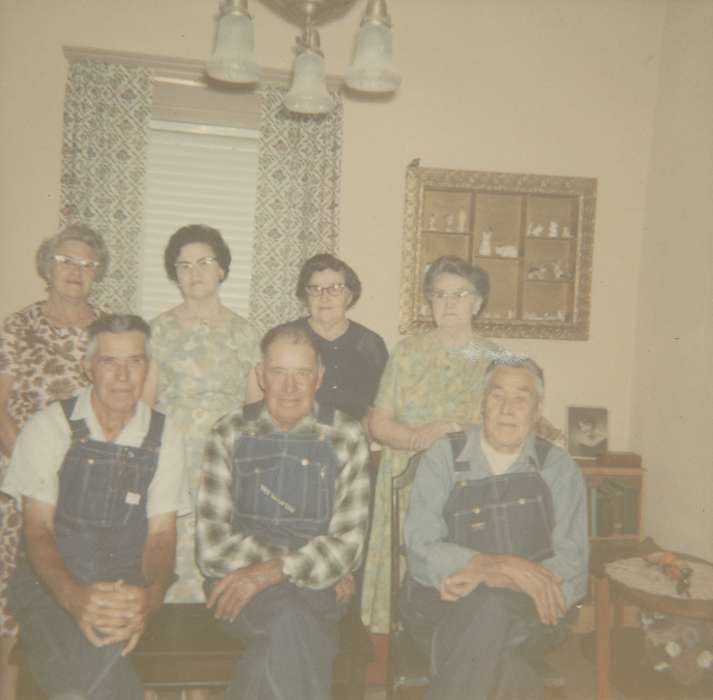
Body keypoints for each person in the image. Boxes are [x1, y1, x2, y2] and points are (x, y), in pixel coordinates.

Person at [2, 314, 189, 700]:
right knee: (94, 663)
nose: (122, 375)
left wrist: (149, 600)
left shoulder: (165, 435)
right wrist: (74, 597)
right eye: (108, 361)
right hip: (50, 583)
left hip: (124, 580)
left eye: (134, 361)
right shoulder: (48, 427)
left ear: (147, 368)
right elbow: (37, 531)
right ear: (87, 367)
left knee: (80, 681)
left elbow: (162, 533)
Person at [196, 321, 371, 700]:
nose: (290, 387)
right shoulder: (228, 432)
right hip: (243, 589)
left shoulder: (347, 435)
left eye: (302, 373)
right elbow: (211, 549)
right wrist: (308, 561)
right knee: (298, 626)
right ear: (260, 375)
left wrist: (268, 571)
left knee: (289, 631)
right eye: (278, 372)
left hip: (296, 587)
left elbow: (348, 546)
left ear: (319, 377)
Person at [400, 354, 589, 700]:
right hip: (443, 608)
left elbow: (573, 567)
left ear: (537, 410)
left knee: (492, 610)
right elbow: (419, 547)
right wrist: (505, 567)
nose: (507, 408)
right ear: (483, 402)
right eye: (497, 395)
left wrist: (490, 575)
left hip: (530, 616)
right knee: (504, 653)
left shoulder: (559, 468)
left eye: (521, 398)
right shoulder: (443, 456)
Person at [361, 255, 502, 633]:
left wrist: (452, 428)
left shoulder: (496, 359)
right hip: (406, 485)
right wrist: (417, 438)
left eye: (460, 294)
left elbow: (505, 432)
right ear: (430, 302)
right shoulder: (407, 352)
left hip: (468, 493)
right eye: (439, 295)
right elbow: (378, 423)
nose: (449, 303)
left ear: (478, 302)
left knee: (465, 602)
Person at [0, 224, 109, 700]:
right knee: (9, 604)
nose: (75, 271)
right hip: (22, 481)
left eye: (86, 264)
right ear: (48, 267)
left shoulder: (109, 330)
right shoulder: (18, 327)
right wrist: (35, 469)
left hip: (89, 489)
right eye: (67, 260)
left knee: (76, 595)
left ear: (97, 274)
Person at [143, 224, 261, 603]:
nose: (194, 272)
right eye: (184, 265)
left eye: (204, 262)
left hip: (225, 459)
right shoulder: (157, 331)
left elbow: (256, 412)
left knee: (221, 553)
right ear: (174, 275)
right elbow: (145, 406)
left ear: (222, 269)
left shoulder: (245, 333)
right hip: (172, 456)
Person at [294, 253, 388, 423]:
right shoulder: (287, 338)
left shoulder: (370, 344)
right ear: (305, 296)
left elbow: (379, 411)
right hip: (295, 439)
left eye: (335, 288)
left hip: (351, 443)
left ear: (350, 296)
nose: (324, 297)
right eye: (315, 289)